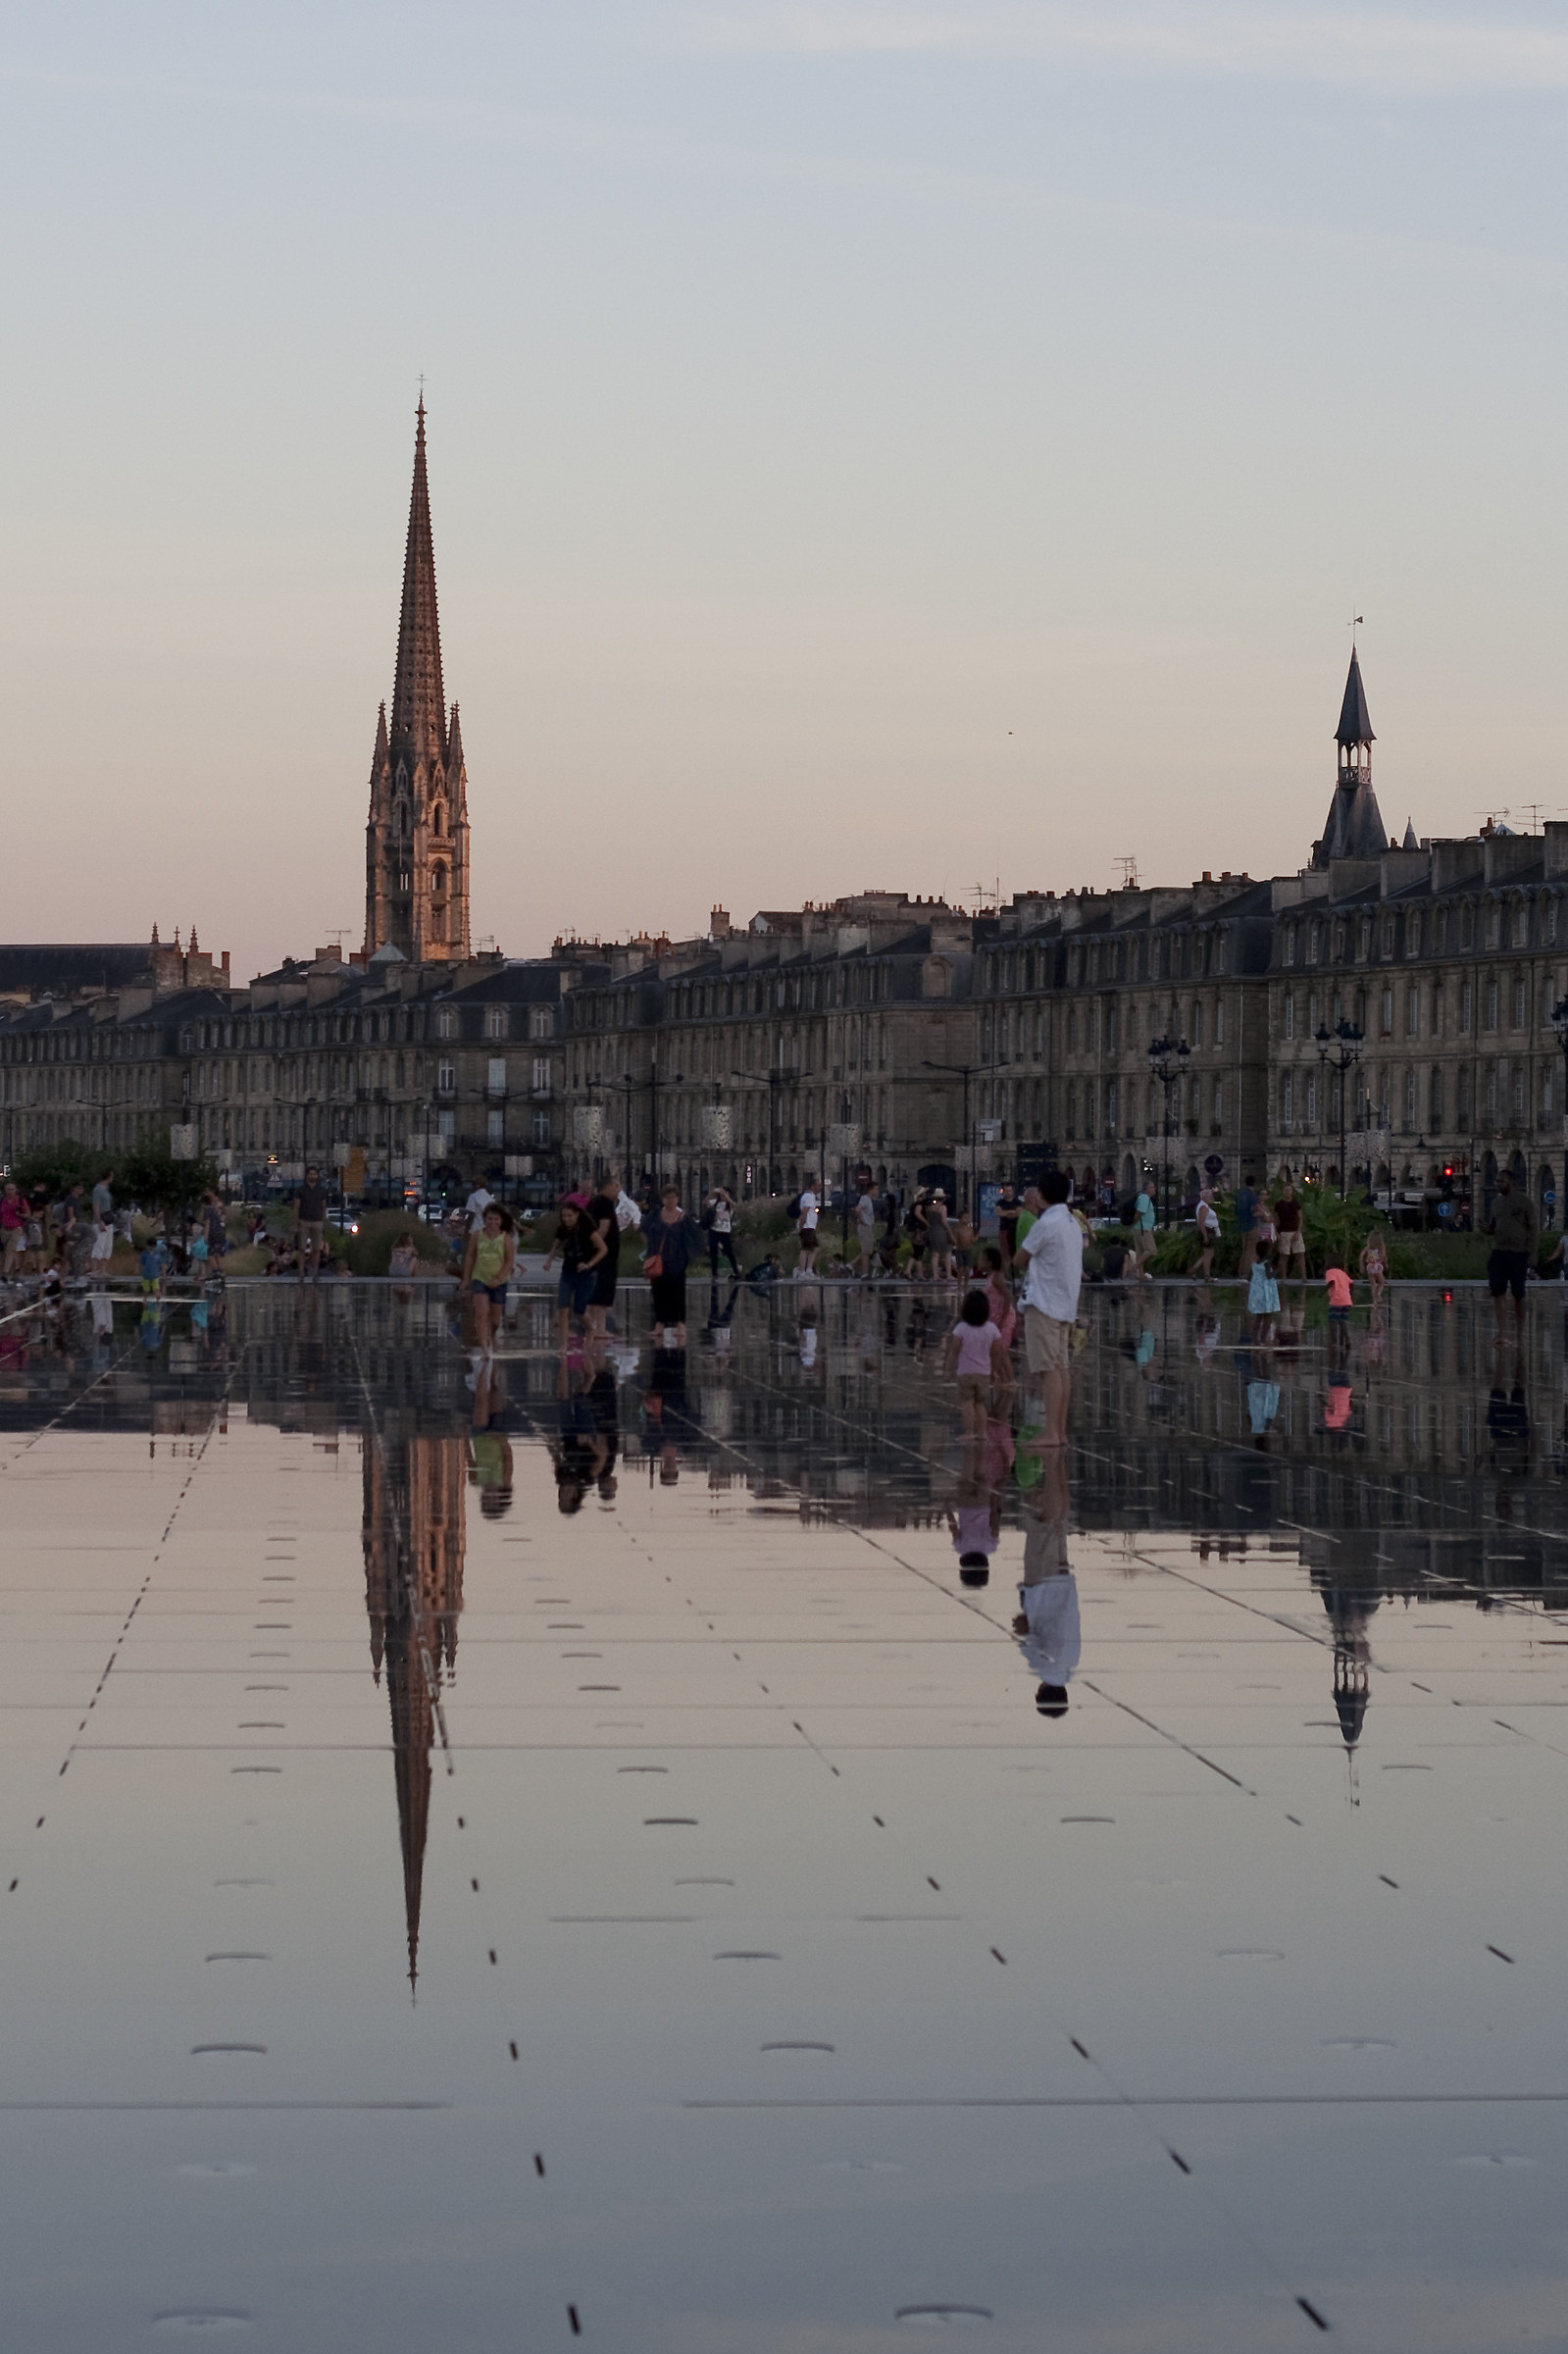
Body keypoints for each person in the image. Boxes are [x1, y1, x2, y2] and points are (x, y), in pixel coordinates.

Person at [1016, 1169, 1084, 1449]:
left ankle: (1051, 1433)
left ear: (1041, 1195)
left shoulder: (1046, 1224)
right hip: (1065, 1303)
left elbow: (1020, 1259)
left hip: (1044, 1303)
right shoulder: (1071, 1222)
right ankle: (1060, 1431)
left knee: (1049, 1370)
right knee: (1061, 1367)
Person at [1012, 1452, 1080, 1718]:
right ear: (1040, 1693)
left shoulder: (1072, 1664)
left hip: (1064, 1585)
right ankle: (1052, 1461)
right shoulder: (1042, 1667)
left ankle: (1059, 1462)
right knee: (1044, 1521)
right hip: (1042, 1586)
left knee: (1058, 1523)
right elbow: (1024, 1629)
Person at [943, 1288, 1011, 1437]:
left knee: (967, 1403)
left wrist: (948, 1370)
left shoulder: (961, 1329)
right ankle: (982, 1433)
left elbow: (954, 1351)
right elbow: (997, 1352)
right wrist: (994, 1370)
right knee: (980, 1404)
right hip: (984, 1373)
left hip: (965, 1373)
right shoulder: (992, 1329)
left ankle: (969, 1433)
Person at [643, 1185, 703, 1346]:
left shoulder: (683, 1218)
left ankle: (681, 1324)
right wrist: (651, 1250)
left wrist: (687, 1256)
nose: (670, 1200)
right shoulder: (656, 1215)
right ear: (662, 1199)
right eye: (667, 1197)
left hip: (677, 1261)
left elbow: (695, 1237)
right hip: (660, 1261)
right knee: (658, 1292)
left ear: (677, 1198)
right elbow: (645, 1230)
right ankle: (659, 1323)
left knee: (678, 1293)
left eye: (673, 1197)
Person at [541, 1200, 603, 1350]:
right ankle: (563, 1346)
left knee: (579, 1311)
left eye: (570, 1216)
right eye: (564, 1216)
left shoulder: (587, 1229)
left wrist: (589, 1264)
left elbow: (603, 1249)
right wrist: (549, 1260)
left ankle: (590, 1328)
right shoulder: (562, 1229)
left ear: (577, 1215)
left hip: (587, 1273)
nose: (567, 1219)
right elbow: (556, 1245)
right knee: (563, 1308)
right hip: (568, 1272)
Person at [1485, 1168, 1537, 1336]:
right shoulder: (1496, 1203)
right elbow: (1493, 1226)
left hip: (1518, 1252)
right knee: (1497, 1290)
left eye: (1502, 1181)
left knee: (1519, 1293)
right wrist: (1486, 1229)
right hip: (1499, 1251)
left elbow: (1533, 1228)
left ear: (1511, 1183)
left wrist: (1533, 1252)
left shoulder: (1524, 1202)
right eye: (1496, 1181)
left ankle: (1520, 1331)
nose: (1498, 1184)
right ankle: (1502, 1331)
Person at [464, 1202, 520, 1354]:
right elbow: (470, 1256)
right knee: (481, 1313)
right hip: (480, 1278)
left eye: (496, 1219)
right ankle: (484, 1346)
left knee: (494, 1320)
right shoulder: (477, 1236)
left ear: (501, 1221)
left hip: (499, 1281)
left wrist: (499, 1278)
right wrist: (466, 1279)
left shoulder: (506, 1238)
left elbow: (509, 1261)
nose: (493, 1222)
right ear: (485, 1219)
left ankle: (493, 1334)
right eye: (490, 1219)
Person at [583, 1177, 622, 1333]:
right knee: (602, 1293)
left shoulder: (593, 1202)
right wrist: (598, 1246)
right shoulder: (605, 1203)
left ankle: (592, 1326)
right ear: (609, 1186)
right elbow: (603, 1228)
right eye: (617, 1186)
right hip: (605, 1257)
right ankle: (600, 1327)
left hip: (596, 1256)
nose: (619, 1190)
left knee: (594, 1292)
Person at [293, 1164, 329, 1284]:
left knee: (316, 1249)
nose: (312, 1176)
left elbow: (324, 1206)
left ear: (317, 1176)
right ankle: (301, 1272)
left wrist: (323, 1221)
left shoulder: (322, 1190)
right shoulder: (301, 1190)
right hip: (304, 1220)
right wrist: (295, 1222)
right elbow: (297, 1207)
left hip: (317, 1221)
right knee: (302, 1248)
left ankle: (315, 1272)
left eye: (314, 1174)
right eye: (310, 1174)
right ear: (307, 1176)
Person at [1247, 1201, 1280, 1334]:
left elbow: (1250, 1277)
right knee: (1267, 1318)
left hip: (1257, 1295)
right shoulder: (1266, 1263)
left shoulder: (1255, 1264)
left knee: (1258, 1319)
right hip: (1266, 1295)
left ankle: (1256, 1339)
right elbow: (1268, 1276)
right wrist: (1277, 1271)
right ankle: (1262, 1338)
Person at [704, 1184, 741, 1279]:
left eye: (724, 1194)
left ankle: (736, 1271)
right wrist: (712, 1194)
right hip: (714, 1230)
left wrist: (725, 1195)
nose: (722, 1196)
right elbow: (705, 1202)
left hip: (725, 1231)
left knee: (729, 1252)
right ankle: (714, 1273)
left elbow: (735, 1205)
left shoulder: (729, 1205)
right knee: (713, 1253)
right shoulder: (715, 1202)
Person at [1274, 1180, 1306, 1282]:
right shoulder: (1279, 1204)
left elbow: (1300, 1218)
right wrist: (1276, 1232)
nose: (1287, 1192)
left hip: (1295, 1231)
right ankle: (1283, 1277)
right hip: (1284, 1232)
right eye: (1286, 1190)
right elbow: (1275, 1219)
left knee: (1300, 1254)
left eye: (1289, 1190)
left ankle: (1304, 1277)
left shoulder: (1295, 1204)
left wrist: (1298, 1231)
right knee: (1284, 1255)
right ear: (1283, 1191)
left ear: (1292, 1192)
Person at [925, 1190, 955, 1282]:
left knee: (935, 1254)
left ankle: (935, 1275)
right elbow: (944, 1221)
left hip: (932, 1231)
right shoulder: (942, 1208)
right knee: (948, 1252)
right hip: (941, 1231)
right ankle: (949, 1275)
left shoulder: (929, 1208)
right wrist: (949, 1230)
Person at [1235, 1173, 1260, 1279]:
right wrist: (1260, 1211)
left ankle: (1241, 1272)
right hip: (1251, 1224)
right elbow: (1253, 1209)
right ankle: (1246, 1273)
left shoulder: (1240, 1194)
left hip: (1242, 1224)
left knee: (1244, 1250)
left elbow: (1236, 1210)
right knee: (1250, 1251)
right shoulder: (1252, 1195)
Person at [1358, 1227, 1390, 1306]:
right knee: (1382, 1282)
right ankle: (1378, 1294)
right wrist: (1385, 1263)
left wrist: (1361, 1265)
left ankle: (1374, 1301)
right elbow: (1384, 1257)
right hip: (1378, 1266)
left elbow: (1361, 1255)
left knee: (1373, 1284)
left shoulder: (1368, 1246)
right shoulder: (1381, 1247)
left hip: (1370, 1267)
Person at [1132, 1183, 1156, 1281]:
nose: (1155, 1189)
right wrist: (1134, 1220)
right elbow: (1140, 1211)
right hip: (1143, 1228)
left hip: (1139, 1228)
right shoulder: (1145, 1198)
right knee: (1150, 1250)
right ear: (1147, 1189)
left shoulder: (1143, 1198)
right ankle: (1135, 1267)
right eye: (1152, 1187)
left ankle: (1141, 1275)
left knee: (1140, 1252)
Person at [795, 1177, 820, 1274]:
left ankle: (808, 1270)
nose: (820, 1187)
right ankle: (801, 1271)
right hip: (807, 1226)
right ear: (813, 1186)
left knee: (814, 1248)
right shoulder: (809, 1196)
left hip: (810, 1226)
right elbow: (805, 1212)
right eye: (818, 1185)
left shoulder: (810, 1196)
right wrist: (800, 1227)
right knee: (806, 1249)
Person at [0, 1182, 24, 1282]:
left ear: (15, 1190)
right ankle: (16, 1271)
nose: (9, 1192)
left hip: (16, 1228)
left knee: (10, 1250)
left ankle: (5, 1273)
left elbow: (27, 1214)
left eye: (12, 1189)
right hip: (4, 1229)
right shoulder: (2, 1201)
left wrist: (19, 1214)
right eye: (8, 1189)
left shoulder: (20, 1201)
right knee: (8, 1252)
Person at [995, 1182, 1021, 1271]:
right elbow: (998, 1212)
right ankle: (1006, 1275)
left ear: (1012, 1191)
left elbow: (1018, 1213)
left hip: (1015, 1230)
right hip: (1004, 1230)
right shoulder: (1000, 1203)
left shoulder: (1018, 1202)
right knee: (1005, 1253)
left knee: (1016, 1251)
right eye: (1006, 1191)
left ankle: (1017, 1272)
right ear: (1003, 1192)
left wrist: (1005, 1213)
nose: (1008, 1192)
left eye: (1009, 1190)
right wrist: (1010, 1212)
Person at [854, 1184, 879, 1278]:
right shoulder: (865, 1199)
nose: (877, 1191)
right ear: (870, 1190)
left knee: (868, 1249)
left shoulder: (869, 1200)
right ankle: (864, 1273)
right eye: (876, 1189)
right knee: (866, 1251)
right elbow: (858, 1209)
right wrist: (861, 1219)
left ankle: (853, 1265)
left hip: (868, 1226)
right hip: (865, 1226)